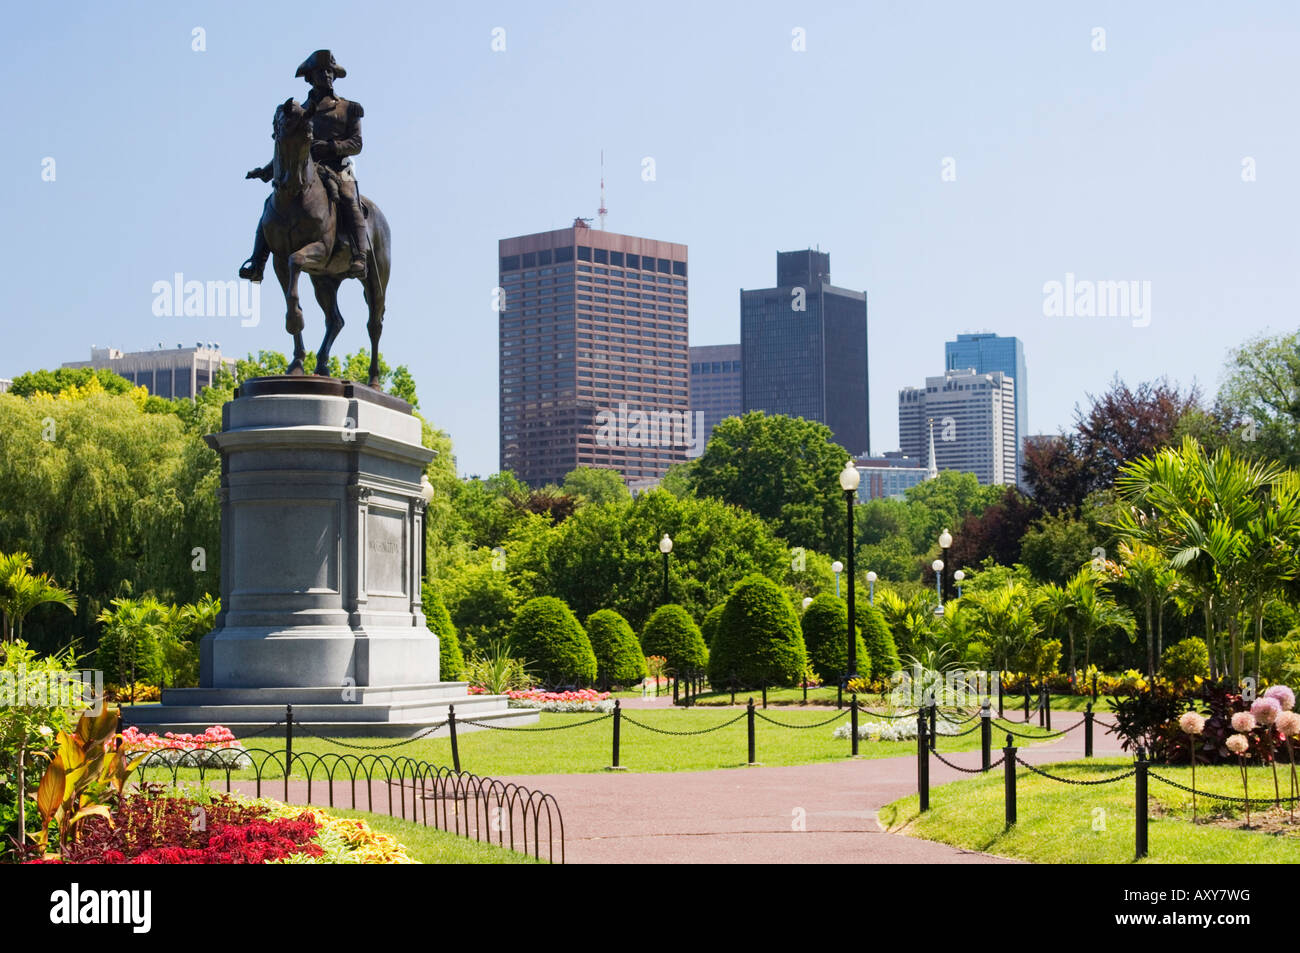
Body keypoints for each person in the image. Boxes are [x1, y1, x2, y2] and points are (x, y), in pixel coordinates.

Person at [239, 50, 369, 282]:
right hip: (309, 167)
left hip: (342, 166)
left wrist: (330, 147)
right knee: (271, 203)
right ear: (310, 78)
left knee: (349, 198)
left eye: (330, 72)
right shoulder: (300, 113)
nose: (327, 76)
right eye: (321, 72)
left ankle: (360, 255)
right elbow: (291, 147)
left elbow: (357, 143)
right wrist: (267, 171)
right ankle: (258, 262)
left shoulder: (349, 108)